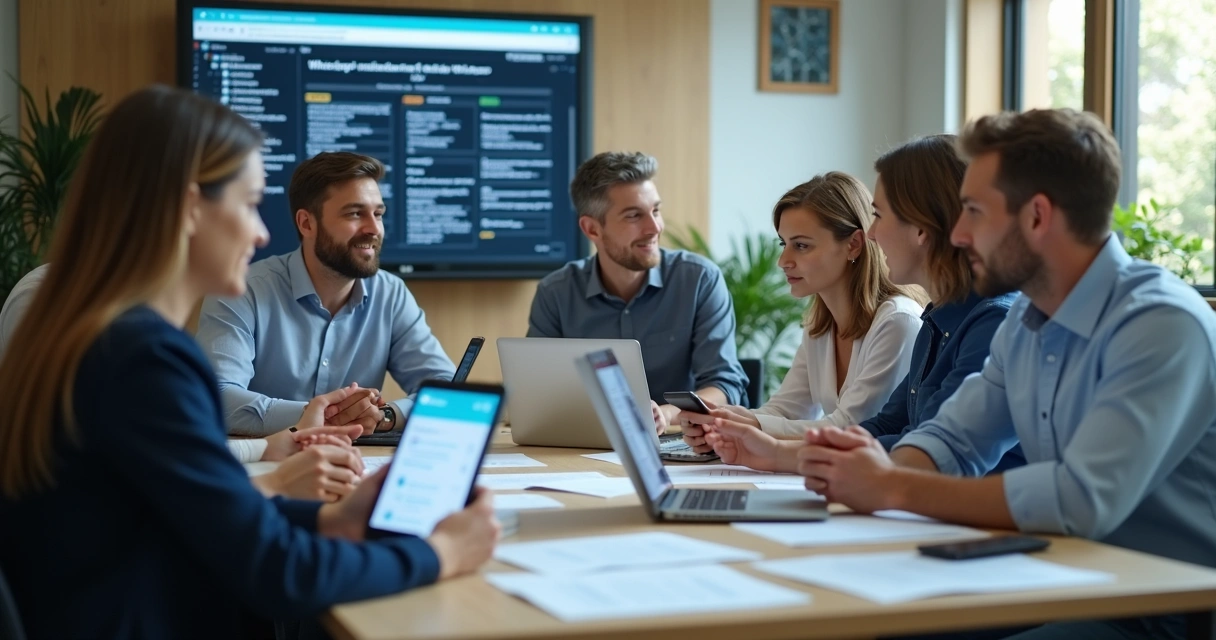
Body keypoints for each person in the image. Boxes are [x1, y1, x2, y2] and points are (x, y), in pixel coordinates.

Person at [0, 85, 500, 638]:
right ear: (191, 207)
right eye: (248, 204)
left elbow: (192, 515)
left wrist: (335, 518)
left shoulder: (88, 333)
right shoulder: (143, 359)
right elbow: (277, 571)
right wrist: (441, 554)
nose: (262, 232)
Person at [797, 109, 1216, 640]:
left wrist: (892, 487)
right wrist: (876, 478)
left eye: (973, 211)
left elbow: (1078, 500)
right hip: (1066, 577)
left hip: (1162, 609)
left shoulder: (1159, 324)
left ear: (1037, 217)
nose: (958, 232)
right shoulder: (1028, 317)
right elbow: (955, 438)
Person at [694, 139, 1024, 474]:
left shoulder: (989, 322)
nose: (873, 234)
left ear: (922, 227)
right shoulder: (937, 322)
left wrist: (777, 449)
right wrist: (766, 446)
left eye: (879, 216)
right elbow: (883, 427)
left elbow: (929, 452)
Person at [0, 265, 368, 501]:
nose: (261, 233)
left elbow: (157, 453)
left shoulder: (139, 316)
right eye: (246, 204)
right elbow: (118, 494)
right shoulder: (65, 308)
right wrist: (279, 485)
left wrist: (267, 448)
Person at [196, 151, 456, 438]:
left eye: (378, 214)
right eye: (355, 214)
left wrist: (385, 416)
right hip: (265, 468)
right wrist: (322, 416)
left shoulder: (391, 294)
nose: (373, 229)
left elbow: (447, 390)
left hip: (356, 466)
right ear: (307, 223)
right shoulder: (240, 290)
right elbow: (218, 398)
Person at [680, 171, 925, 463]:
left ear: (854, 244)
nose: (783, 261)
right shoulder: (819, 327)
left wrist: (749, 426)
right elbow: (784, 411)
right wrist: (724, 423)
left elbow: (851, 427)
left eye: (802, 245)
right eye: (784, 244)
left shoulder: (898, 322)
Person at [527, 151, 748, 435]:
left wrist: (665, 415)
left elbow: (725, 385)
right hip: (586, 445)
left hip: (681, 445)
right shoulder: (555, 293)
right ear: (592, 228)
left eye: (655, 210)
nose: (654, 227)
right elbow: (538, 393)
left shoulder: (699, 280)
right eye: (634, 216)